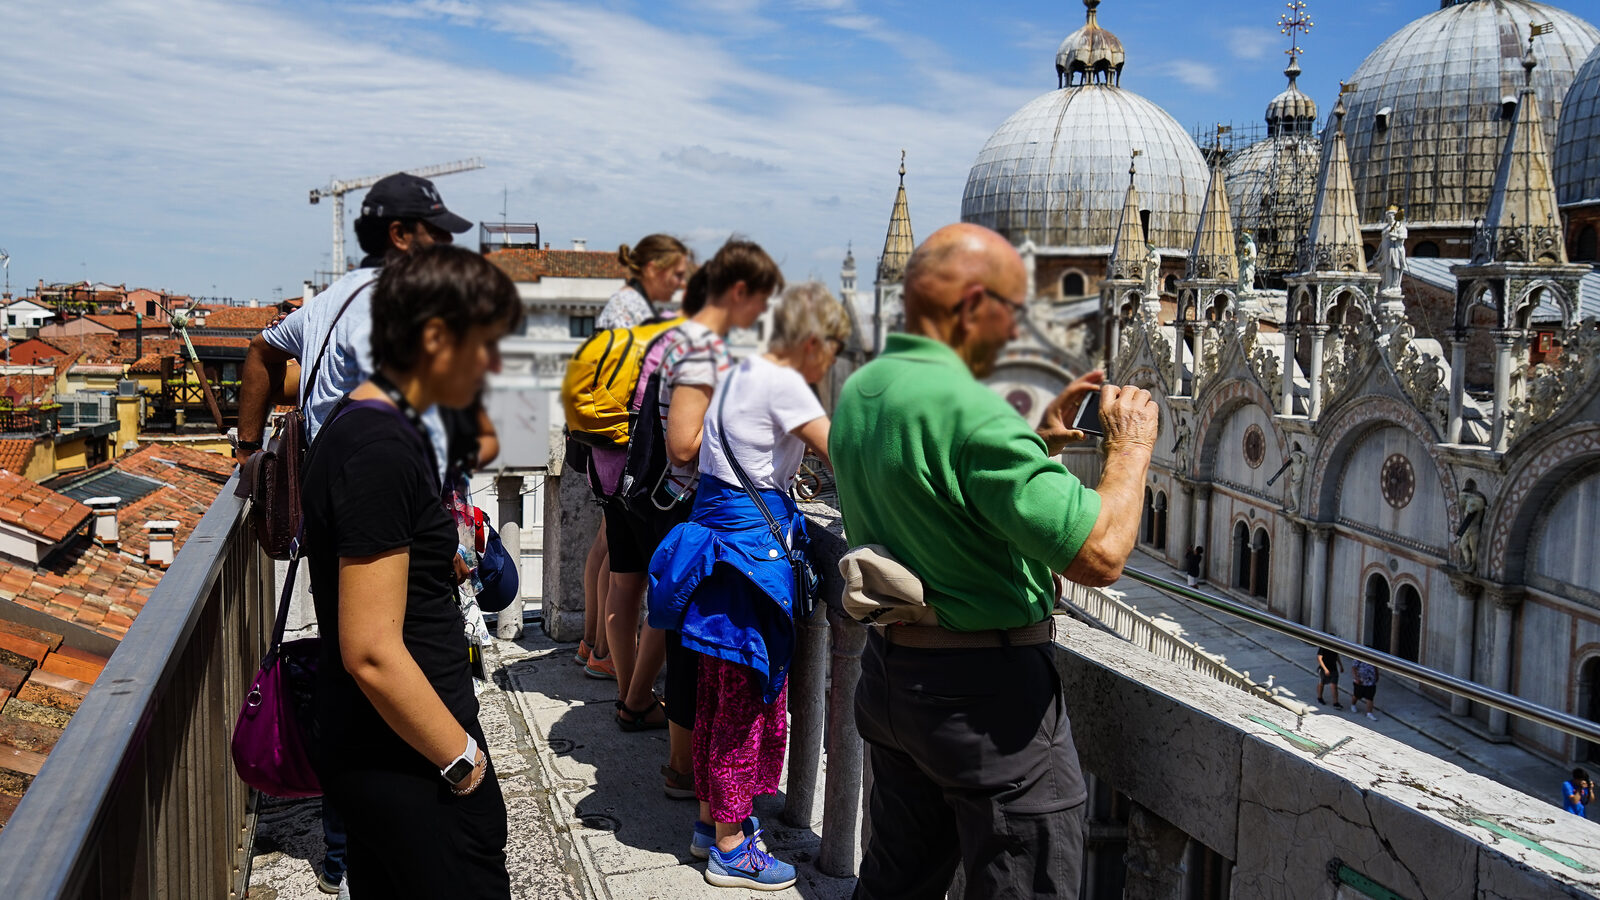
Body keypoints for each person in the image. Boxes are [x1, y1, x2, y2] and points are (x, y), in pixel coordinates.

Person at [830, 223, 1159, 899]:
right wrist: (1129, 449)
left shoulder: (865, 389)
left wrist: (1033, 448)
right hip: (985, 702)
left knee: (896, 882)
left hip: (893, 678)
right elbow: (1101, 555)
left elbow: (942, 494)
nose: (1017, 330)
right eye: (1013, 309)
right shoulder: (975, 414)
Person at [237, 171, 472, 897]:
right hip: (378, 510)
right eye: (437, 236)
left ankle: (350, 852)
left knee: (353, 665)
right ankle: (386, 834)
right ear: (400, 236)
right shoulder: (387, 313)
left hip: (333, 506)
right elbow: (407, 427)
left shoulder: (332, 299)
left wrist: (247, 449)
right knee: (387, 664)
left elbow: (259, 353)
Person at [301, 245, 522, 898]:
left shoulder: (363, 422)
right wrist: (462, 761)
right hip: (412, 763)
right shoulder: (380, 448)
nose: (493, 365)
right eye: (484, 344)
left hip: (387, 750)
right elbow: (370, 651)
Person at [650, 280, 847, 889]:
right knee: (745, 704)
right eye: (832, 349)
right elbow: (842, 452)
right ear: (813, 340)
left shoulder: (734, 371)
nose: (830, 364)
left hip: (716, 549)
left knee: (716, 696)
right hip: (751, 561)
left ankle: (711, 823)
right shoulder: (785, 384)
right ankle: (732, 848)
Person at [620, 244, 780, 808]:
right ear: (738, 293)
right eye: (761, 301)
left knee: (686, 636)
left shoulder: (685, 341)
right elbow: (684, 446)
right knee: (695, 644)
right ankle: (683, 769)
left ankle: (680, 758)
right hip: (688, 508)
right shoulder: (701, 351)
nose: (762, 315)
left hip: (671, 506)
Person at [579, 234, 692, 680]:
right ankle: (609, 658)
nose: (679, 283)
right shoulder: (637, 314)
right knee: (630, 570)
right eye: (676, 274)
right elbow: (643, 392)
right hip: (634, 461)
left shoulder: (624, 306)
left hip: (609, 456)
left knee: (615, 560)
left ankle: (600, 651)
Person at [597, 234, 691, 329]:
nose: (683, 283)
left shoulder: (633, 304)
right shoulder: (628, 308)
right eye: (678, 275)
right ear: (652, 270)